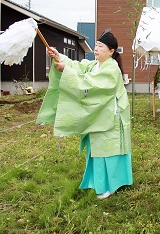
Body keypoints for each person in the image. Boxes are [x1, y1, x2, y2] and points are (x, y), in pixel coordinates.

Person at [37, 29, 132, 200]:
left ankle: (110, 185)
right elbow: (77, 66)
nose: (96, 49)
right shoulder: (94, 64)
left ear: (111, 51)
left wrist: (67, 70)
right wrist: (58, 56)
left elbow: (93, 83)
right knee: (97, 148)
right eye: (96, 45)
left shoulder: (112, 68)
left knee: (108, 150)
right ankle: (99, 182)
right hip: (99, 114)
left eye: (101, 46)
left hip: (112, 116)